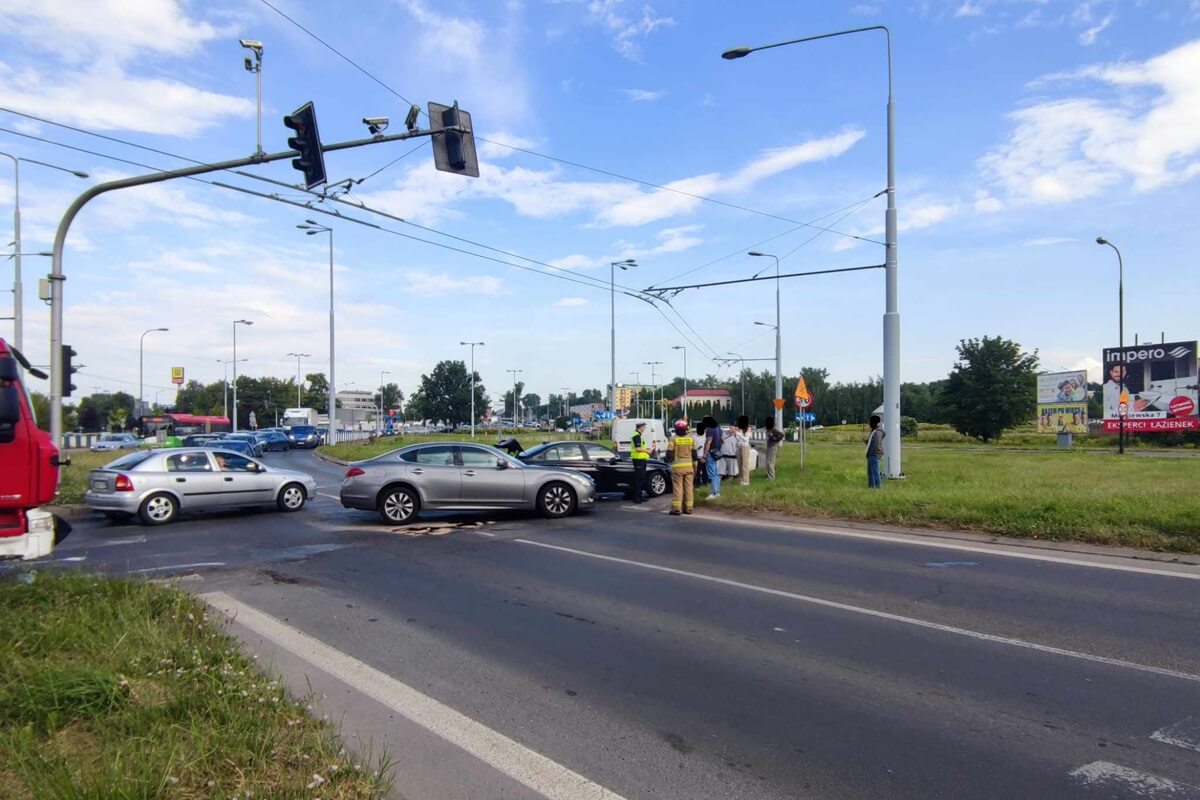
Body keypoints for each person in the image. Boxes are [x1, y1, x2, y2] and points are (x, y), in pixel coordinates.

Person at [666, 419, 695, 515]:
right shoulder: (691, 438)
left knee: (678, 488)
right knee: (689, 488)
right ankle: (689, 508)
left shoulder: (674, 439)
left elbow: (669, 454)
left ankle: (676, 509)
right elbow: (695, 455)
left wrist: (668, 459)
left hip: (678, 468)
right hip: (689, 467)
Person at [630, 422, 652, 503]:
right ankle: (636, 498)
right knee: (639, 479)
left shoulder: (638, 435)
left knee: (641, 478)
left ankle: (639, 496)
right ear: (640, 427)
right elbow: (638, 448)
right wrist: (647, 451)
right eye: (644, 427)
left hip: (641, 459)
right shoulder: (636, 435)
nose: (644, 429)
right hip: (638, 460)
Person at [701, 415, 723, 499]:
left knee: (712, 473)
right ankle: (717, 492)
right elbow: (721, 439)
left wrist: (704, 454)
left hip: (710, 452)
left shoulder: (710, 429)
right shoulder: (718, 427)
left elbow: (708, 442)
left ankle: (714, 493)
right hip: (716, 452)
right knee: (716, 473)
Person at [865, 414, 885, 489]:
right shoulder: (874, 431)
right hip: (872, 453)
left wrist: (876, 451)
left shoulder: (877, 432)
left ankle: (877, 486)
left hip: (874, 454)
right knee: (871, 471)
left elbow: (876, 443)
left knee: (875, 471)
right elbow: (872, 442)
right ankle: (871, 485)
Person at [764, 416, 783, 480]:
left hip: (772, 447)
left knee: (770, 462)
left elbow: (782, 435)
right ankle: (769, 474)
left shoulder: (773, 430)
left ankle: (772, 477)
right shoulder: (769, 430)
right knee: (768, 461)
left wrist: (775, 441)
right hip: (769, 447)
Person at [734, 415, 751, 486]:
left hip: (745, 447)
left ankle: (746, 480)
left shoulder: (748, 429)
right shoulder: (740, 430)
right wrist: (736, 435)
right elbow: (739, 439)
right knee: (739, 464)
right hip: (739, 447)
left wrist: (738, 434)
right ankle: (741, 479)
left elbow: (746, 439)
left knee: (745, 464)